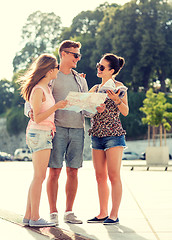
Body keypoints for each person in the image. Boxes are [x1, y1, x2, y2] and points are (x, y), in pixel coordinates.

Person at [25, 40, 90, 225]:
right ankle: (52, 212)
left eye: (79, 55)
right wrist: (31, 112)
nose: (78, 58)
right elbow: (34, 101)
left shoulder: (81, 80)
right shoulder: (50, 77)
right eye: (75, 55)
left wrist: (95, 108)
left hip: (78, 129)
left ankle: (69, 212)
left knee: (73, 171)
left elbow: (85, 108)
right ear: (63, 54)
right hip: (55, 130)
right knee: (53, 172)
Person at [20, 53, 67, 227]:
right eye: (55, 68)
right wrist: (56, 106)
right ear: (48, 71)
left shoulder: (45, 87)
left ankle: (28, 216)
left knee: (37, 177)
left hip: (43, 133)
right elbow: (37, 118)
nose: (57, 70)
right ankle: (35, 218)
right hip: (39, 133)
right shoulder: (39, 90)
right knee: (39, 177)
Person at [87, 53, 129, 225]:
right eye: (98, 65)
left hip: (114, 135)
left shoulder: (120, 87)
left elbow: (125, 112)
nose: (99, 69)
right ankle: (102, 213)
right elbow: (85, 111)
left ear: (111, 71)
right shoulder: (95, 88)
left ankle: (114, 214)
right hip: (96, 135)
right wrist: (96, 108)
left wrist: (115, 99)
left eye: (102, 67)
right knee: (99, 176)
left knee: (113, 175)